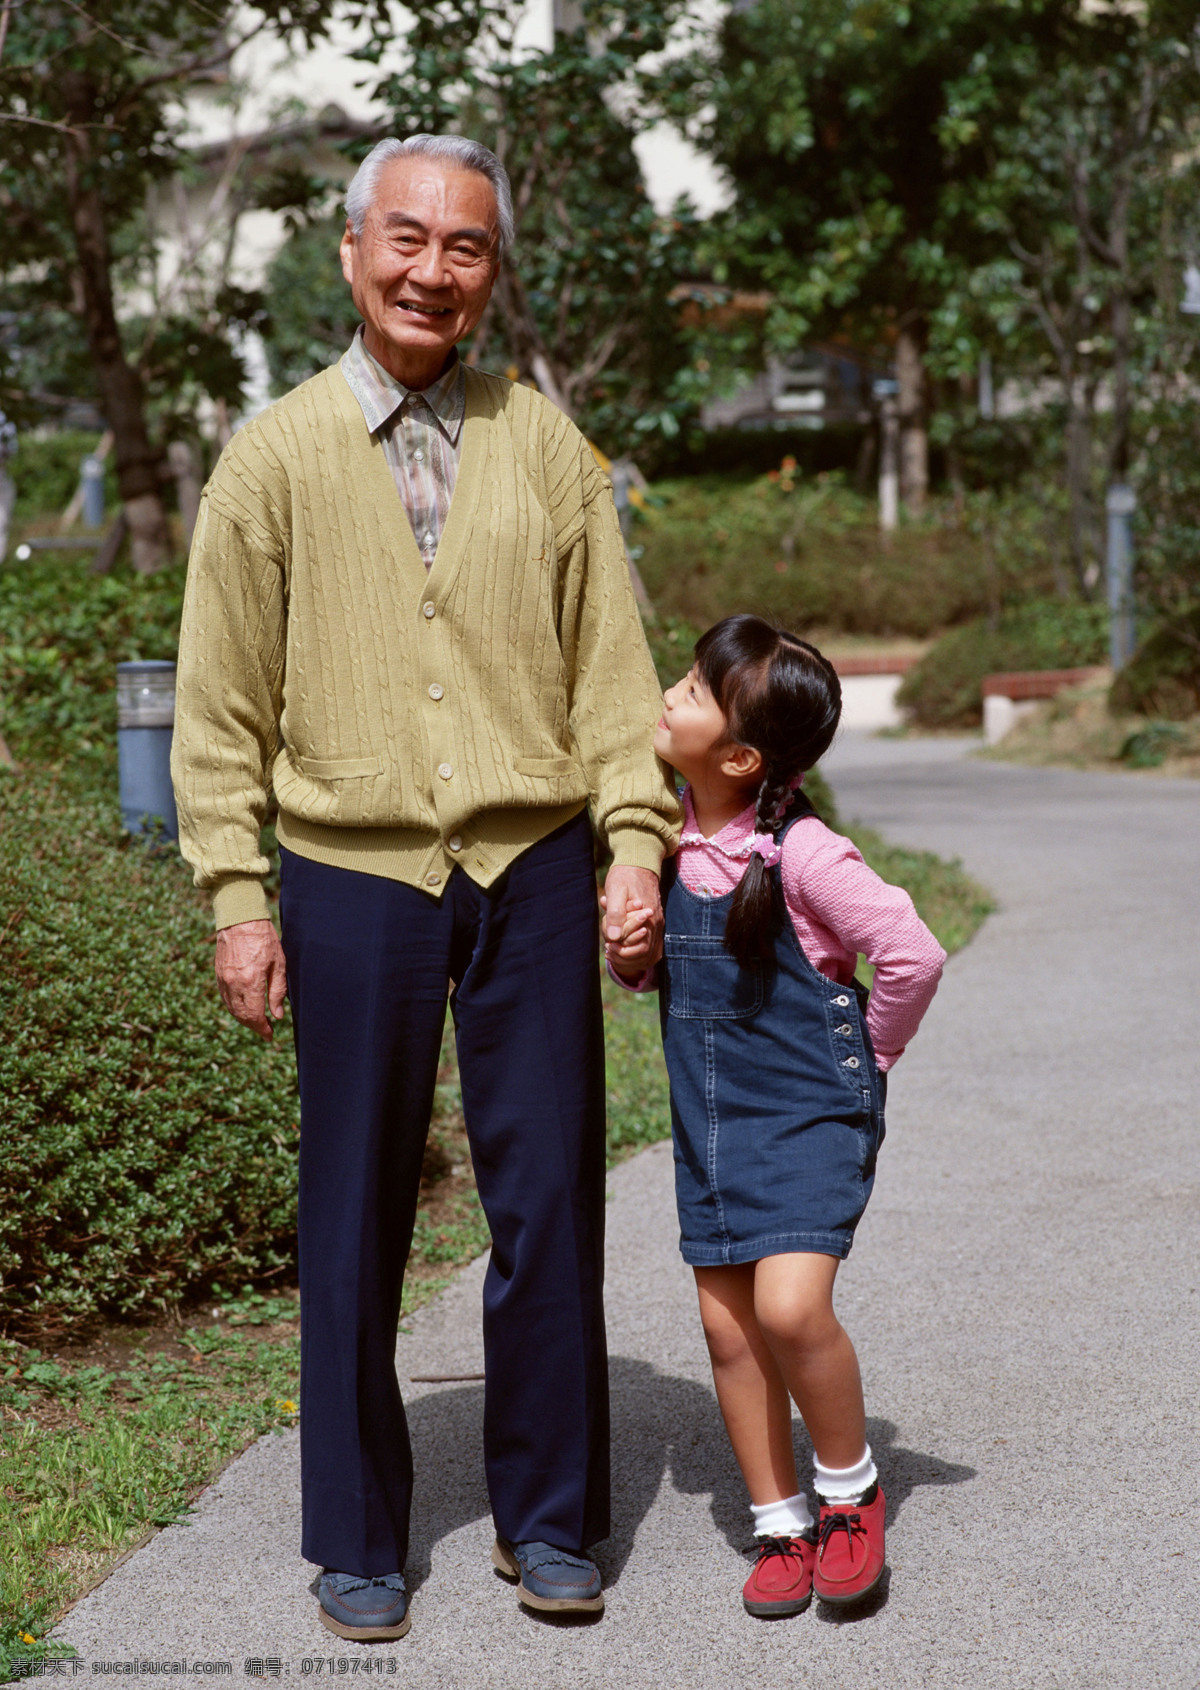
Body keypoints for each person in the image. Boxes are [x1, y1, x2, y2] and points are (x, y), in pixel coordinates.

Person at [171, 133, 680, 1642]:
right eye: (407, 239)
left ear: (490, 271)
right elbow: (218, 708)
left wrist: (634, 846)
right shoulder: (271, 456)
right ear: (349, 252)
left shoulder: (548, 447)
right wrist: (235, 895)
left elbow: (614, 674)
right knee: (354, 1210)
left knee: (546, 1200)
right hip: (348, 867)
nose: (431, 270)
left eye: (464, 247)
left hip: (530, 864)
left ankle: (550, 1516)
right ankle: (357, 1534)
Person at [607, 615, 944, 1617]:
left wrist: (868, 1059)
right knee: (732, 1333)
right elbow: (643, 978)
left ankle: (850, 1493)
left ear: (741, 754)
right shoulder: (660, 840)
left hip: (807, 1119)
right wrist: (630, 951)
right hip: (712, 1123)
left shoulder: (803, 853)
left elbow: (913, 954)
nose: (671, 694)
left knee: (792, 1309)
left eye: (695, 692)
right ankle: (779, 1519)